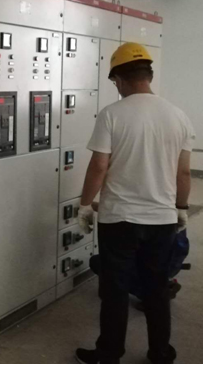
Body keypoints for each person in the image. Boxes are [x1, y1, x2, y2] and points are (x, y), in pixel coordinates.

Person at [74, 43, 195, 364]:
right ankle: (160, 353)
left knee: (114, 289)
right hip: (161, 220)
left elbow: (99, 166)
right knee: (156, 288)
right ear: (148, 75)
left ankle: (109, 353)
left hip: (119, 219)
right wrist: (181, 208)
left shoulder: (112, 114)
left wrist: (85, 205)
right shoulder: (179, 116)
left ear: (119, 79)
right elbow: (184, 172)